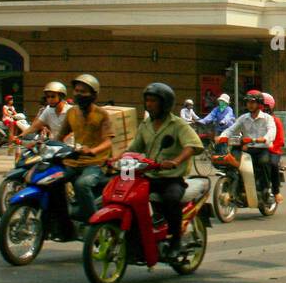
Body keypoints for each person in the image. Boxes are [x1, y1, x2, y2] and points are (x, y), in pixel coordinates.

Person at [128, 82, 204, 254]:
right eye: (147, 101)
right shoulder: (145, 125)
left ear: (165, 103)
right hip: (148, 176)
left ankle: (176, 239)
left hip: (171, 178)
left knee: (171, 198)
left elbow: (193, 145)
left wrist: (176, 161)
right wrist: (117, 158)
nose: (149, 104)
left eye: (153, 101)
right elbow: (134, 148)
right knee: (127, 196)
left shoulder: (178, 125)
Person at [52, 74, 114, 220]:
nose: (79, 94)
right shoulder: (72, 112)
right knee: (51, 179)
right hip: (73, 160)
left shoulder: (102, 114)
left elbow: (108, 141)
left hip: (95, 163)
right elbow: (60, 136)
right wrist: (46, 145)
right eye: (77, 91)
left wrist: (92, 151)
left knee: (82, 184)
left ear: (94, 95)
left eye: (83, 92)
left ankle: (94, 221)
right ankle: (61, 216)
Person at [219, 89, 276, 202]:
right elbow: (231, 130)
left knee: (263, 162)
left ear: (259, 104)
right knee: (233, 162)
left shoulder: (267, 119)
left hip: (262, 149)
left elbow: (272, 132)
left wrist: (264, 139)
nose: (250, 105)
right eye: (248, 102)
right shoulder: (243, 118)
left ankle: (266, 191)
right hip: (246, 149)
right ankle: (236, 187)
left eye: (252, 102)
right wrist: (222, 137)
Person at [264, 93, 286, 203]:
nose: (261, 109)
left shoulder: (275, 121)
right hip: (256, 149)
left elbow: (280, 140)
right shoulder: (251, 119)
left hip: (273, 151)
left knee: (272, 164)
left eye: (264, 106)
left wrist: (270, 147)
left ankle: (276, 191)